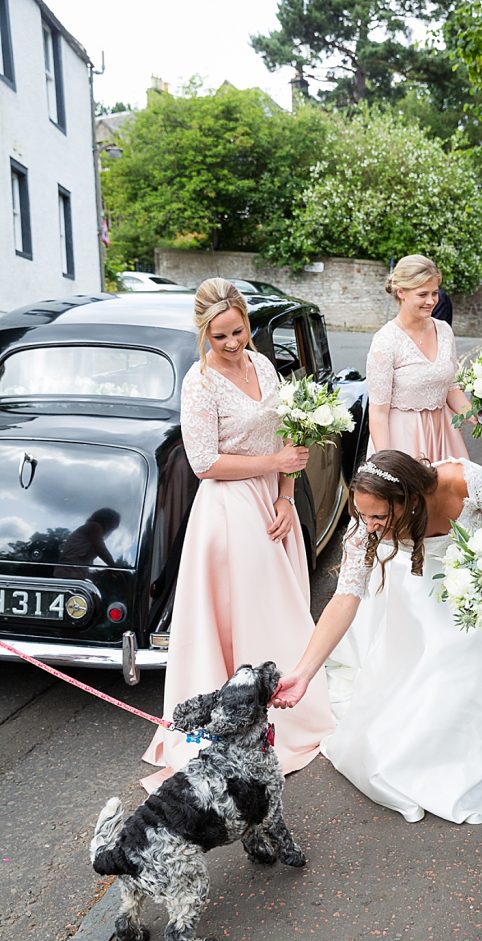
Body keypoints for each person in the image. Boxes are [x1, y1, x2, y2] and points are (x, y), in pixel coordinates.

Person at [142, 278, 333, 791]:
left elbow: (290, 431)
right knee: (251, 611)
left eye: (238, 331)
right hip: (229, 509)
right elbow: (204, 463)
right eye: (219, 335)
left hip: (274, 501)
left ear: (248, 323)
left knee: (285, 602)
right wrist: (272, 464)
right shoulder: (200, 383)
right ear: (204, 332)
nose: (231, 344)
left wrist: (287, 495)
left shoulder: (265, 365)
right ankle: (240, 720)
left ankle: (289, 698)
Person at [272, 450, 482, 824]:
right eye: (363, 514)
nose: (370, 526)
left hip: (477, 586)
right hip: (416, 589)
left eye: (380, 516)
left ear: (410, 498)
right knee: (418, 676)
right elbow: (345, 597)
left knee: (472, 662)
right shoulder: (366, 530)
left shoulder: (465, 483)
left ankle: (463, 752)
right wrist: (304, 673)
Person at [367, 254, 482, 461]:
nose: (431, 301)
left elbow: (451, 387)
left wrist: (475, 415)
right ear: (401, 293)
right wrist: (386, 462)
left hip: (444, 435)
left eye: (435, 293)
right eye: (422, 294)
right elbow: (379, 413)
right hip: (402, 441)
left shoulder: (444, 331)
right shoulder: (386, 340)